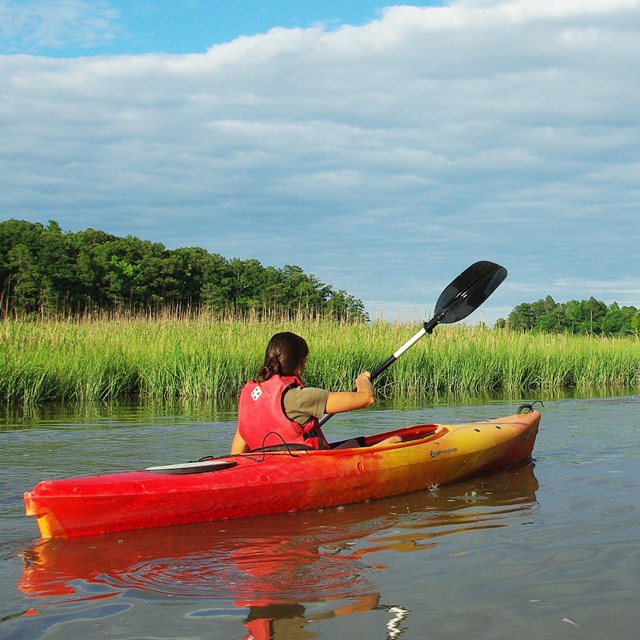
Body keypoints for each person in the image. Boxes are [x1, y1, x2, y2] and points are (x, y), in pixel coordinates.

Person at [230, 331, 401, 454]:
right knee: (397, 441)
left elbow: (240, 440)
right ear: (300, 364)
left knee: (355, 443)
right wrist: (362, 380)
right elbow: (367, 398)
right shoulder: (301, 397)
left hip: (265, 465)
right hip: (304, 466)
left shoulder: (249, 394)